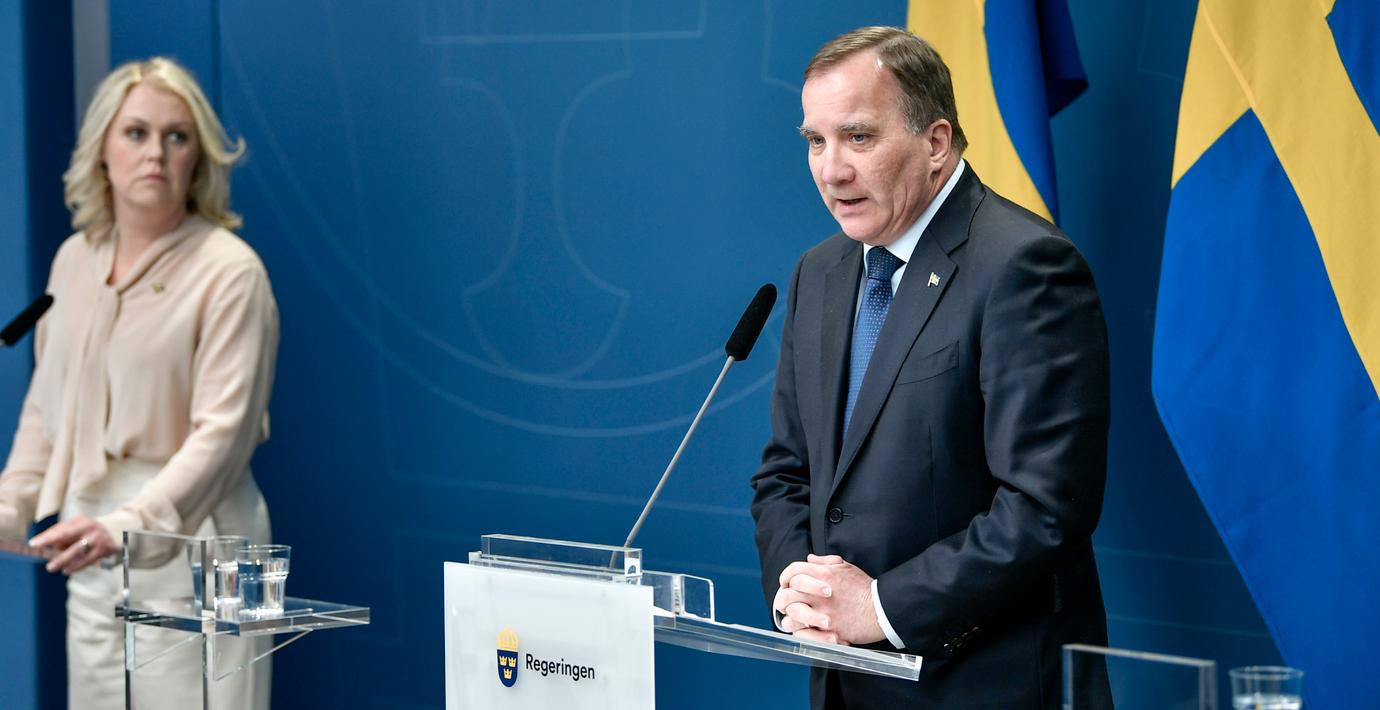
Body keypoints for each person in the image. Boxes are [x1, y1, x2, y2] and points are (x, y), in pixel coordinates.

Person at [750, 27, 1111, 708]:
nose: (831, 170)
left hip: (985, 687)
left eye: (858, 137)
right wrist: (802, 592)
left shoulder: (1025, 267)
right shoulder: (820, 272)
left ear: (936, 142)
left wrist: (881, 607)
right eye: (815, 141)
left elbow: (1044, 507)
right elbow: (786, 473)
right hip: (845, 685)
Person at [0, 57, 277, 709]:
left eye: (177, 136)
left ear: (197, 157)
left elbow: (224, 437)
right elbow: (47, 410)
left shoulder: (231, 272)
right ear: (101, 147)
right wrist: (10, 507)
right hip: (89, 544)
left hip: (203, 541)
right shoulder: (73, 260)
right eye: (136, 133)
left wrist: (130, 524)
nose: (156, 153)